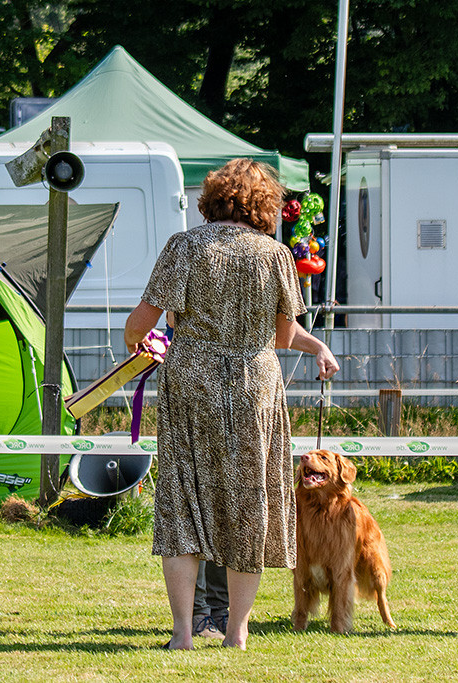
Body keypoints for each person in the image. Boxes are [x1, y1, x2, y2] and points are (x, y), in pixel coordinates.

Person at [124, 158, 340, 650]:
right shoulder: (276, 255)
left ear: (213, 198)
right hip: (254, 386)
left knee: (183, 502)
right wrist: (317, 346)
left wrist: (138, 340)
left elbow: (141, 324)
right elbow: (285, 334)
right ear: (264, 205)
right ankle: (237, 633)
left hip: (192, 384)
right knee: (249, 502)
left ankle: (183, 634)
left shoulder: (183, 246)